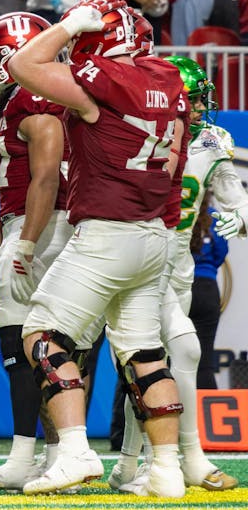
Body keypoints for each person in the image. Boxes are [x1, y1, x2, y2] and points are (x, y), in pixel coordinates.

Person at [7, 0, 186, 496]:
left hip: (107, 232)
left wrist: (65, 26)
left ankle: (75, 451)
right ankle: (168, 472)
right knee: (146, 354)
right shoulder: (170, 81)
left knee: (43, 336)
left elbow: (21, 64)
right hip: (153, 233)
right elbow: (174, 164)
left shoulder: (101, 81)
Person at [110, 54, 242, 494]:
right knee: (180, 353)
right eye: (191, 100)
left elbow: (235, 200)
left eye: (202, 100)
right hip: (141, 260)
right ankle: (188, 458)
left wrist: (240, 217)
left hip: (180, 267)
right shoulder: (134, 135)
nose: (201, 110)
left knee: (146, 368)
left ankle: (131, 464)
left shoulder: (211, 141)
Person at [0, 11, 75, 491]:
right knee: (26, 343)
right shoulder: (17, 100)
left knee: (30, 341)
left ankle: (40, 456)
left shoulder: (37, 96)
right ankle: (41, 456)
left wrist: (24, 239)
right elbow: (19, 184)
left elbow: (47, 178)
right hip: (25, 224)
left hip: (47, 228)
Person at [189, 197, 228, 389]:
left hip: (179, 289)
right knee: (204, 363)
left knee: (174, 360)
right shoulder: (215, 217)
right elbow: (221, 252)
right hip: (207, 290)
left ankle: (175, 417)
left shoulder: (178, 211)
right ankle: (207, 418)